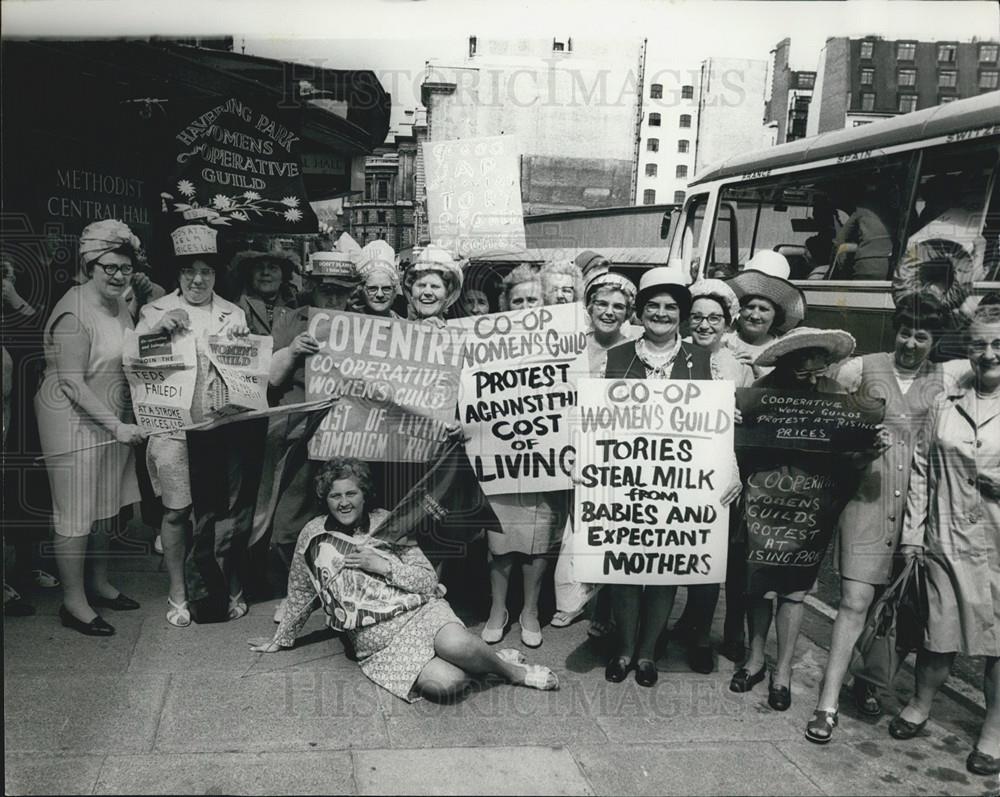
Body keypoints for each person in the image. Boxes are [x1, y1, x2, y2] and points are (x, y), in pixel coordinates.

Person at [248, 458, 559, 702]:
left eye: (351, 493)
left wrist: (383, 565)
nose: (344, 502)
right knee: (448, 685)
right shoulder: (313, 534)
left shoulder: (388, 522)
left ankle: (513, 672)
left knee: (456, 642)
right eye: (335, 495)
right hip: (378, 640)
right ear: (325, 499)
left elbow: (426, 581)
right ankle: (488, 660)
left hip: (418, 612)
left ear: (363, 494)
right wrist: (281, 639)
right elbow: (301, 590)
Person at [805, 294, 949, 742]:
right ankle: (827, 702)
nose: (910, 343)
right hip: (867, 498)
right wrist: (859, 441)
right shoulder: (861, 369)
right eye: (905, 332)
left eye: (921, 336)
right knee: (853, 601)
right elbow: (826, 426)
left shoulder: (944, 379)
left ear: (935, 340)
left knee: (896, 604)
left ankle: (865, 683)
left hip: (919, 508)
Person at [601, 267, 742, 686]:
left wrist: (729, 468)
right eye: (653, 307)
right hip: (627, 476)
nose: (661, 314)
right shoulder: (618, 356)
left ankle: (648, 655)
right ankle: (624, 649)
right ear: (640, 313)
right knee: (626, 567)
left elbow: (718, 423)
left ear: (680, 315)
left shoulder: (701, 359)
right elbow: (598, 419)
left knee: (664, 567)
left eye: (670, 308)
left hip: (679, 479)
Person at [731, 327, 884, 711]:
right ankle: (754, 659)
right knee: (758, 583)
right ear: (786, 361)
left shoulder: (837, 396)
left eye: (819, 369)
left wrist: (869, 448)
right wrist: (732, 423)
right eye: (803, 369)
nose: (812, 377)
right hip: (762, 498)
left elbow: (852, 460)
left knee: (795, 590)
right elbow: (737, 449)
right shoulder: (760, 394)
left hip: (812, 503)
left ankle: (781, 670)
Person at [888, 297, 1000, 777]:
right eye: (979, 345)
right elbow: (919, 473)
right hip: (945, 535)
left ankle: (994, 730)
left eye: (998, 344)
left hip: (997, 542)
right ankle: (920, 703)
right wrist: (913, 536)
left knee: (999, 641)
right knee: (939, 630)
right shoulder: (945, 400)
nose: (989, 354)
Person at [35, 220, 148, 636]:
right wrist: (117, 426)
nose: (117, 275)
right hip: (72, 419)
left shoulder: (120, 304)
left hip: (111, 416)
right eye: (108, 267)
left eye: (124, 268)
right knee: (75, 512)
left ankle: (98, 584)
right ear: (89, 266)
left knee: (106, 505)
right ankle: (73, 601)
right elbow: (71, 382)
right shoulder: (73, 310)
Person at [136, 224, 252, 626]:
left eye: (206, 270)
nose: (198, 279)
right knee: (176, 511)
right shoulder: (154, 311)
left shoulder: (232, 313)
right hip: (172, 428)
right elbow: (136, 366)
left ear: (217, 274)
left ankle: (229, 586)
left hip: (221, 428)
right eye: (189, 271)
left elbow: (245, 377)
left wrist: (241, 340)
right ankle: (178, 593)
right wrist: (158, 331)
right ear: (178, 274)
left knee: (224, 512)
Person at [256, 250, 363, 624]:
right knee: (288, 523)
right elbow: (270, 377)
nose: (333, 299)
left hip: (348, 437)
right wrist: (291, 350)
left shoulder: (363, 323)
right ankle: (295, 592)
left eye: (340, 292)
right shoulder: (291, 320)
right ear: (312, 289)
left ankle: (342, 594)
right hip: (300, 435)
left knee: (347, 518)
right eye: (325, 290)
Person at [480, 263, 572, 649]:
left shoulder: (564, 342)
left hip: (546, 458)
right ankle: (497, 609)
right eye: (517, 300)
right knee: (500, 539)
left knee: (539, 539)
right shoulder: (485, 342)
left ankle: (530, 610)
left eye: (532, 299)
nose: (524, 306)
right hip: (502, 456)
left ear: (545, 302)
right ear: (506, 304)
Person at [670, 278, 754, 672]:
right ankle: (671, 622)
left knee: (707, 553)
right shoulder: (672, 356)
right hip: (673, 466)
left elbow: (752, 424)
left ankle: (701, 634)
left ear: (727, 323)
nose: (705, 325)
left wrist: (738, 417)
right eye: (698, 317)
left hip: (719, 470)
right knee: (671, 548)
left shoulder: (736, 367)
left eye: (714, 318)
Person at [551, 271, 638, 632]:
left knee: (608, 523)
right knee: (571, 523)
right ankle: (571, 598)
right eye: (601, 303)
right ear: (588, 306)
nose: (609, 311)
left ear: (629, 312)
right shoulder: (566, 343)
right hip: (567, 442)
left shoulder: (637, 346)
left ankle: (604, 607)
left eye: (619, 306)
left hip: (616, 446)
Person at [725, 251, 806, 377]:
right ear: (739, 309)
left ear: (776, 315)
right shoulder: (725, 341)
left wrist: (758, 373)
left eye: (763, 309)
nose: (755, 316)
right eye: (750, 307)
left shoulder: (783, 349)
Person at [229, 240, 300, 336]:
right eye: (259, 267)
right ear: (250, 273)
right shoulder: (238, 305)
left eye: (272, 268)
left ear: (283, 275)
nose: (265, 272)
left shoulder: (294, 301)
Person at [357, 240, 401, 319]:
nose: (380, 295)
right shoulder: (349, 324)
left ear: (395, 291)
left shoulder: (405, 325)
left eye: (386, 289)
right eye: (372, 289)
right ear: (362, 290)